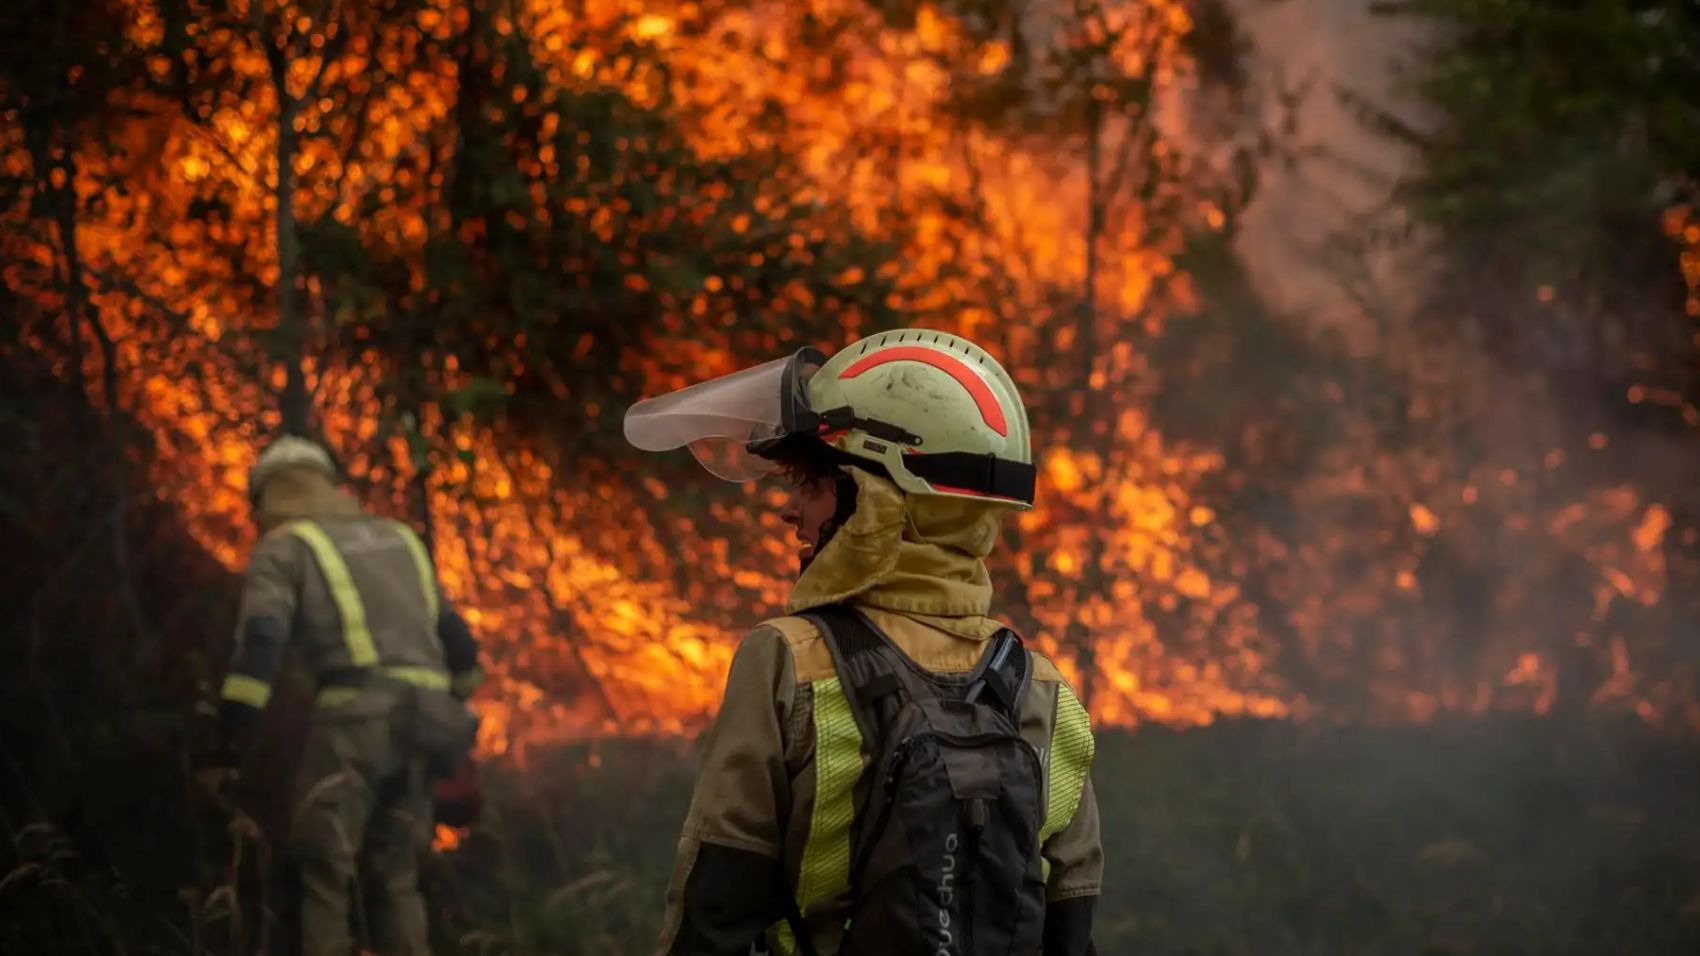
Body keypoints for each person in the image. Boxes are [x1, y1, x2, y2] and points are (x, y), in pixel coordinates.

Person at [626, 329, 1102, 955]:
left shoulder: (789, 661)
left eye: (814, 484)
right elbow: (1071, 931)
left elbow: (715, 906)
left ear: (879, 501)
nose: (789, 510)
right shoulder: (1042, 689)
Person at [200, 436, 485, 956]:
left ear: (265, 496)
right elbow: (459, 643)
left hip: (355, 724)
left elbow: (261, 643)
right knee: (397, 878)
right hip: (425, 724)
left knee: (325, 872)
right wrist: (459, 714)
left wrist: (227, 743)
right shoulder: (398, 538)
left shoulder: (285, 548)